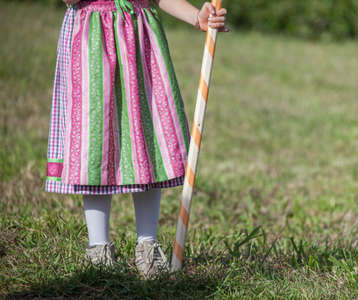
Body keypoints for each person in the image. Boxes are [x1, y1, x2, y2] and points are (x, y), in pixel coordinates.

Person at [45, 0, 228, 279]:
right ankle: (99, 248)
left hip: (141, 41)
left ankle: (147, 244)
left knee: (147, 136)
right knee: (96, 142)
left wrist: (196, 17)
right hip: (92, 38)